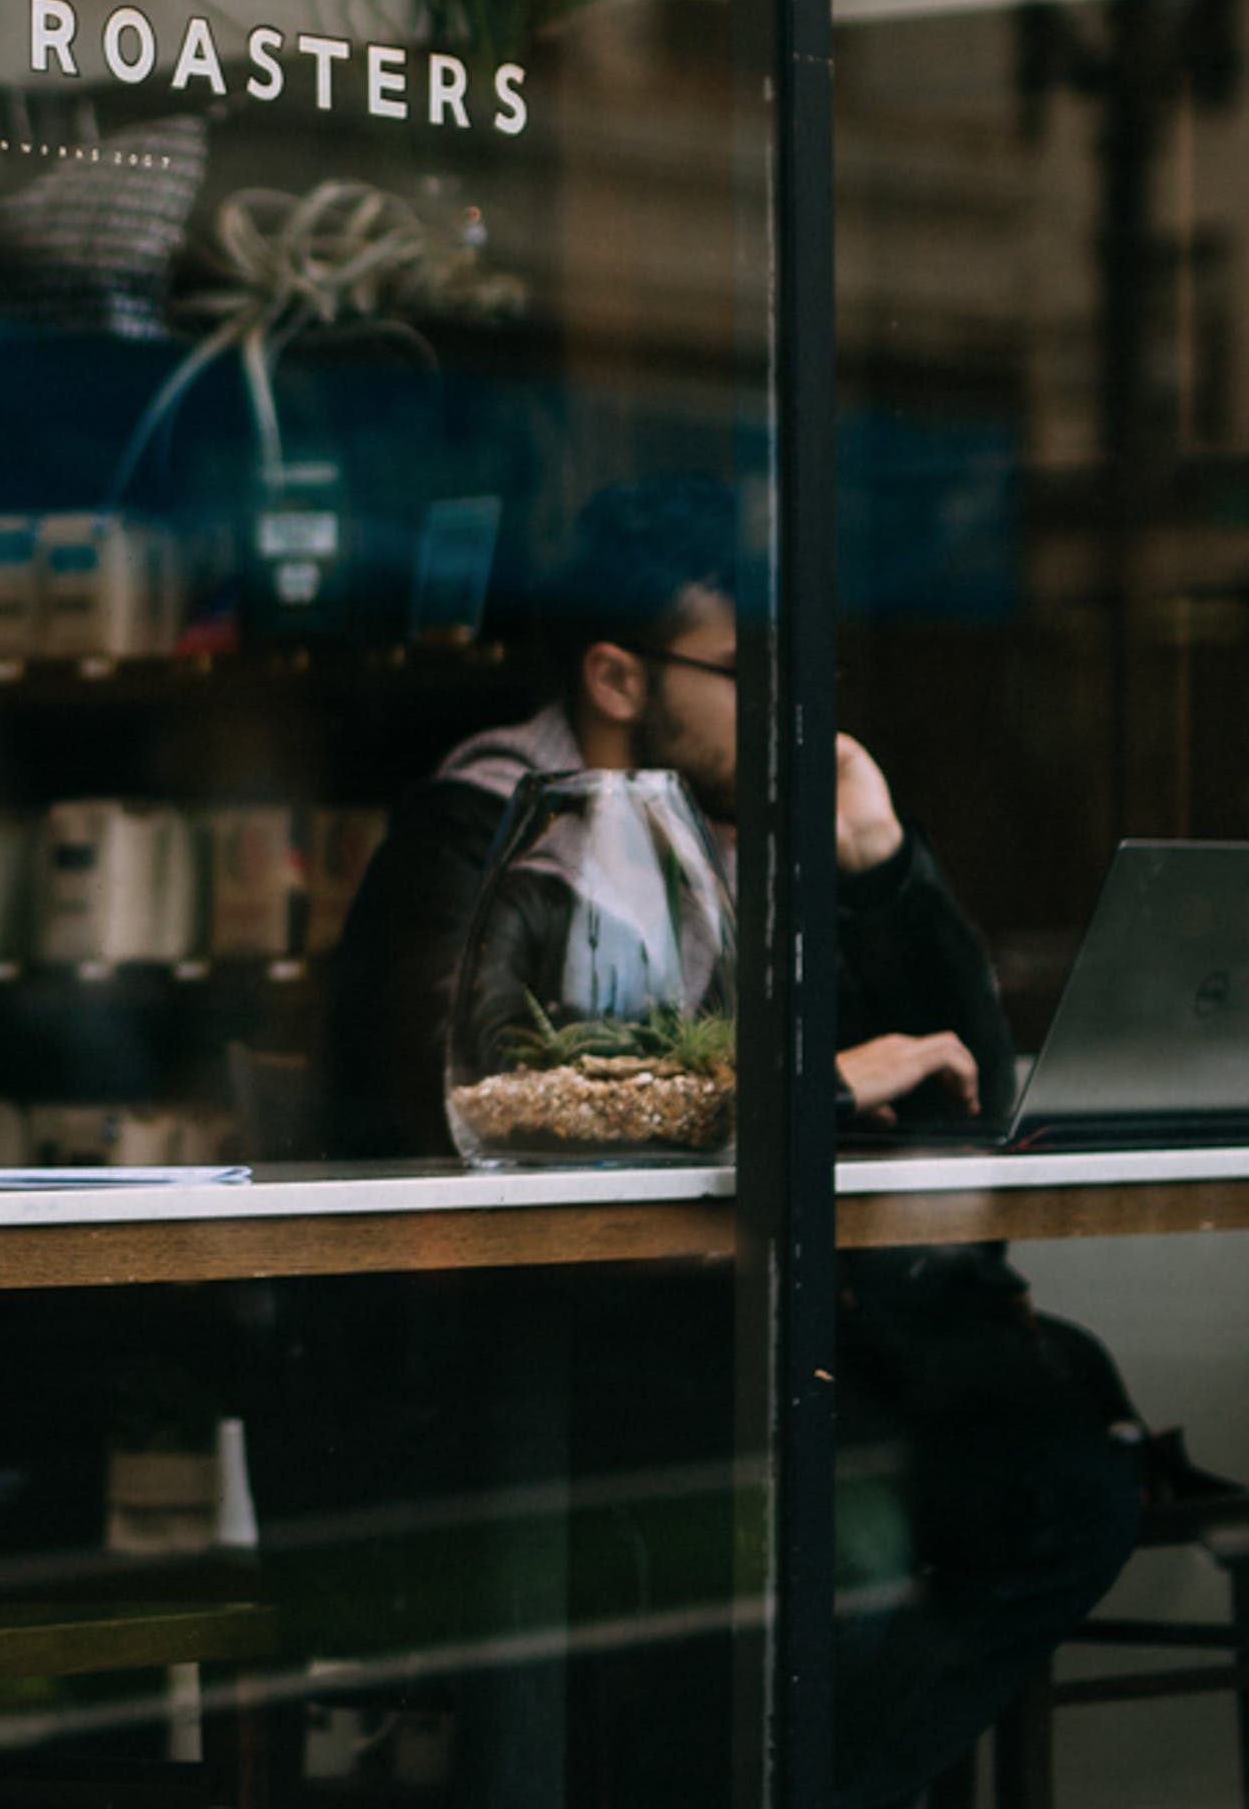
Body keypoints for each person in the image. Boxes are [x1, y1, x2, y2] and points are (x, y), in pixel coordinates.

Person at [317, 475, 1143, 1809]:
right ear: (616, 674)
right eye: (747, 666)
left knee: (1073, 1493)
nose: (788, 699)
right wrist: (806, 1079)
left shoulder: (744, 835)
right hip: (565, 1350)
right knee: (859, 1543)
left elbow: (963, 1090)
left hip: (762, 1333)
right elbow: (469, 1095)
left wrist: (880, 863)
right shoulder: (478, 829)